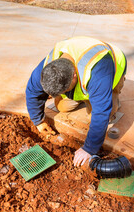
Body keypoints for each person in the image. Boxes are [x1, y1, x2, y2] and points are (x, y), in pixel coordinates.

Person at [25, 36, 127, 167]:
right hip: (86, 80)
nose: (63, 94)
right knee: (62, 107)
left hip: (112, 68)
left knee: (104, 114)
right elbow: (33, 91)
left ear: (74, 75)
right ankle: (87, 95)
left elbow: (101, 113)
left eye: (65, 90)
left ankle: (107, 98)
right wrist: (38, 120)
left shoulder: (98, 72)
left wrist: (89, 149)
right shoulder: (48, 67)